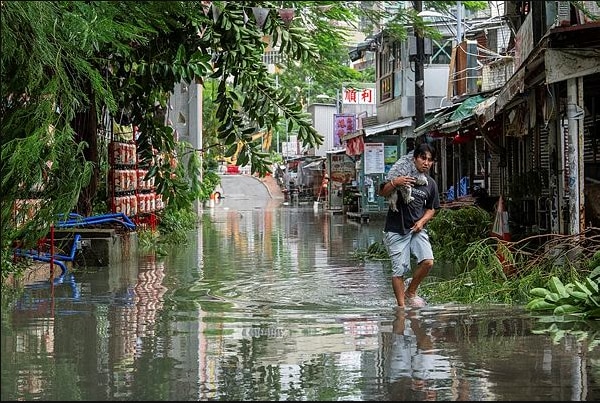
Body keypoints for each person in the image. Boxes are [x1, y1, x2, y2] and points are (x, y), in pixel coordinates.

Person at [378, 143, 440, 308]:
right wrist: (396, 182)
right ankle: (401, 308)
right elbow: (382, 192)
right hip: (396, 230)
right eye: (423, 158)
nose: (426, 163)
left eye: (430, 160)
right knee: (399, 270)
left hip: (417, 230)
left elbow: (431, 209)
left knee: (428, 262)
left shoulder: (430, 184)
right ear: (415, 159)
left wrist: (422, 222)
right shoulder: (402, 175)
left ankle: (411, 291)